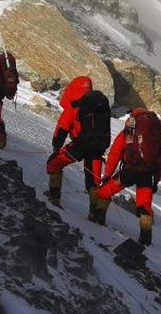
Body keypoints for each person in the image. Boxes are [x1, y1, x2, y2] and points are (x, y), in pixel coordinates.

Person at [91, 107, 161, 245]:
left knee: (104, 193)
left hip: (128, 172)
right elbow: (159, 161)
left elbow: (114, 154)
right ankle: (145, 238)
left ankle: (98, 218)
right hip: (147, 175)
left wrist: (107, 175)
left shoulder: (129, 132)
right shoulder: (157, 135)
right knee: (144, 206)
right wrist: (155, 181)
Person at [45, 77, 112, 221]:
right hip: (97, 149)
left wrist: (56, 147)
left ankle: (54, 195)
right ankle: (95, 214)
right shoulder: (100, 104)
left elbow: (62, 129)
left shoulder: (75, 104)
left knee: (54, 163)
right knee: (94, 182)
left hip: (79, 146)